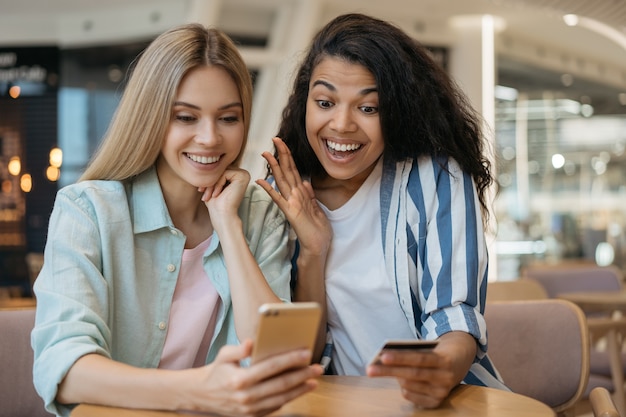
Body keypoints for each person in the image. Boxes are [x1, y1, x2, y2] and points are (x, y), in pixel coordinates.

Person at [31, 23, 322, 417]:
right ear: (151, 118)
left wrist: (228, 227)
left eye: (228, 118)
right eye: (186, 117)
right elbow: (65, 370)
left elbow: (275, 359)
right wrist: (199, 391)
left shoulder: (256, 212)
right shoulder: (88, 211)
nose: (209, 138)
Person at [257, 13, 508, 410]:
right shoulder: (283, 192)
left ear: (397, 110)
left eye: (368, 108)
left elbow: (454, 315)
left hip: (443, 404)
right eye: (325, 102)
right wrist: (313, 252)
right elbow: (299, 352)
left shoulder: (434, 179)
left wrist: (440, 367)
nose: (341, 124)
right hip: (333, 406)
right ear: (305, 102)